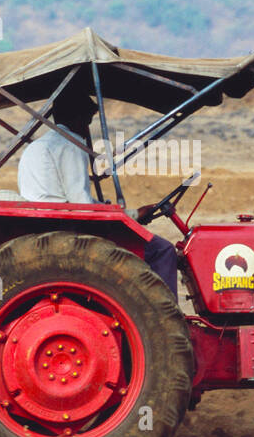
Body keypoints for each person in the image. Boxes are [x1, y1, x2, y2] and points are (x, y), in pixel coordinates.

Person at [17, 90, 179, 300]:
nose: (86, 130)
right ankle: (164, 317)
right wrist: (130, 216)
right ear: (75, 118)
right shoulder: (70, 143)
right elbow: (81, 205)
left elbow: (70, 199)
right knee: (162, 250)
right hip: (67, 226)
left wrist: (131, 213)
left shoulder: (37, 146)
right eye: (87, 121)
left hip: (48, 221)